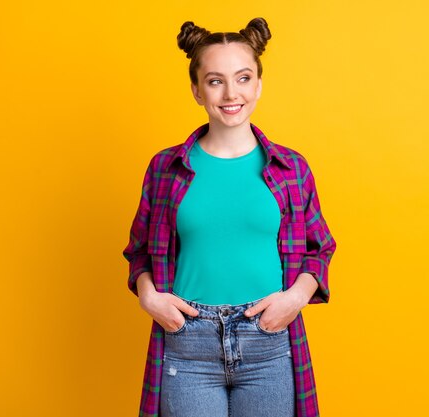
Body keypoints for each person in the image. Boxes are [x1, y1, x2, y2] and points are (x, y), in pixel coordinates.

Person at [122, 17, 336, 417]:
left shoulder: (290, 167)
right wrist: (149, 296)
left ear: (258, 85)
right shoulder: (165, 168)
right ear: (197, 90)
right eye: (215, 80)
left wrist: (295, 298)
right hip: (188, 342)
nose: (230, 92)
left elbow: (318, 249)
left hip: (269, 341)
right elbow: (139, 253)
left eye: (242, 77)